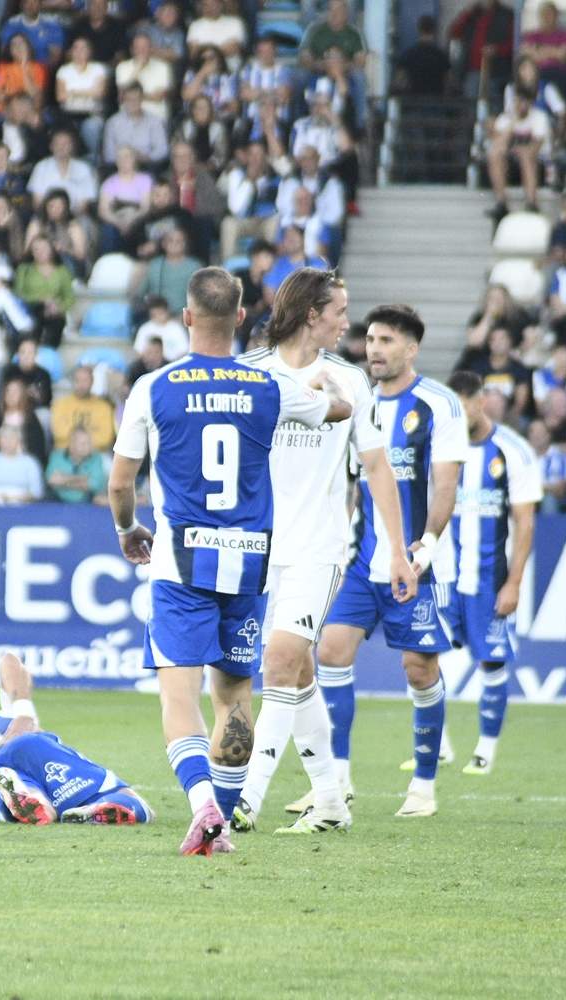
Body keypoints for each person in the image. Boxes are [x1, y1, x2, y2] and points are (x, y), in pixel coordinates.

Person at [107, 267, 351, 857]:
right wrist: (321, 390)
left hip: (182, 564)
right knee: (235, 698)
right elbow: (340, 411)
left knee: (178, 698)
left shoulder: (154, 386)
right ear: (241, 318)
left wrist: (126, 528)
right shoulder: (268, 386)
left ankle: (203, 807)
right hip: (248, 564)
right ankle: (223, 811)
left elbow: (121, 482)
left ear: (187, 318)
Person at [231, 270, 416, 835]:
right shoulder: (251, 374)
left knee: (280, 661)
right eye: (340, 310)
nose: (348, 322)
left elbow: (378, 466)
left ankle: (246, 801)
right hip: (258, 548)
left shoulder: (350, 381)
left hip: (320, 547)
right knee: (301, 667)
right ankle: (331, 799)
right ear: (312, 314)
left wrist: (399, 551)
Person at [298, 304, 469, 821]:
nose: (374, 348)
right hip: (363, 559)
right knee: (329, 651)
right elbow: (356, 483)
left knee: (419, 669)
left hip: (420, 564)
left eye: (387, 340)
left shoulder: (438, 404)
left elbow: (445, 484)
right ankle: (337, 781)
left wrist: (428, 543)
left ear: (411, 349)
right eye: (370, 339)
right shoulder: (356, 400)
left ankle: (422, 785)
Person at [443, 372, 541, 776]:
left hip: (487, 577)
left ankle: (485, 750)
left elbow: (525, 523)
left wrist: (514, 582)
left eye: (466, 404)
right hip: (445, 575)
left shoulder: (511, 450)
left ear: (481, 401)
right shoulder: (441, 447)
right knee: (424, 658)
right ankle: (439, 746)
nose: (460, 413)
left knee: (492, 663)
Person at [0, 652, 154, 825]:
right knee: (129, 799)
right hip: (31, 750)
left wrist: (23, 714)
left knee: (11, 794)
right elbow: (9, 660)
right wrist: (24, 710)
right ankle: (97, 808)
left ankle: (29, 800)